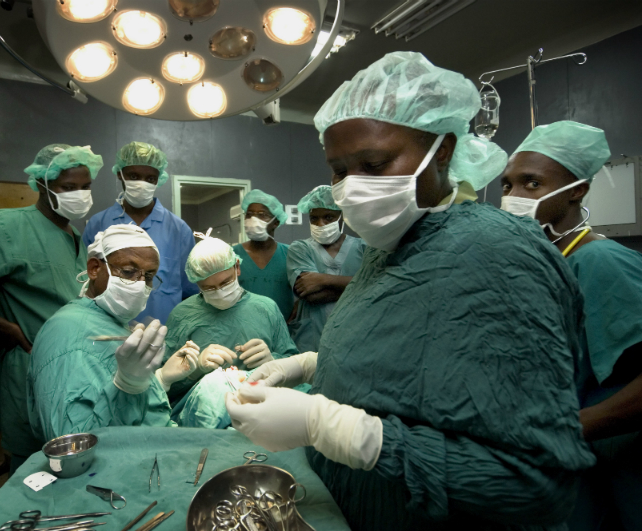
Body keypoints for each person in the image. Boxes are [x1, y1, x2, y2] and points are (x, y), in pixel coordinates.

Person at [226, 52, 595, 530]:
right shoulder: (392, 243)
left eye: (374, 163)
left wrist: (341, 431)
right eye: (338, 172)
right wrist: (308, 365)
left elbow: (534, 484)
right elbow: (421, 359)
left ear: (442, 151)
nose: (351, 187)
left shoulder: (494, 253)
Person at [500, 121, 642, 531]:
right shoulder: (546, 266)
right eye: (508, 186)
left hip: (618, 465)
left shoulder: (601, 262)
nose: (514, 198)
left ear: (577, 189)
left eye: (532, 184)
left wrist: (565, 430)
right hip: (569, 468)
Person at [0, 143, 103, 474]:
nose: (79, 194)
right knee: (34, 471)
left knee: (74, 465)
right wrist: (3, 326)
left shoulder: (75, 234)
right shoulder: (8, 228)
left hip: (73, 367)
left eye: (85, 186)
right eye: (68, 187)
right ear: (43, 184)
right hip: (31, 363)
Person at [27, 225, 198, 442]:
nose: (139, 284)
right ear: (94, 269)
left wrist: (159, 380)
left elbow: (105, 393)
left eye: (149, 276)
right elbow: (73, 443)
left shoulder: (105, 320)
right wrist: (128, 385)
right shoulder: (70, 338)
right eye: (128, 272)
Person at [163, 232, 299, 427]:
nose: (219, 292)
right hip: (200, 422)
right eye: (208, 288)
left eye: (225, 282)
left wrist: (273, 361)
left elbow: (297, 368)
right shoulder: (182, 315)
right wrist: (194, 368)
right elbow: (161, 387)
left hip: (258, 419)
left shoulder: (266, 308)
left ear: (237, 267)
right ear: (196, 283)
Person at [83, 142, 199, 323]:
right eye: (134, 176)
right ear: (119, 174)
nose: (142, 184)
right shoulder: (99, 224)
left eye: (150, 178)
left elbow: (191, 291)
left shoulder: (178, 229)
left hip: (164, 331)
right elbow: (88, 283)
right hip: (107, 329)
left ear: (159, 179)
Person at [287, 185, 366, 352]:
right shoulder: (300, 248)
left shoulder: (363, 247)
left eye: (329, 217)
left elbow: (377, 287)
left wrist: (323, 279)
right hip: (313, 340)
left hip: (356, 337)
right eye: (314, 218)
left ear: (342, 216)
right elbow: (311, 296)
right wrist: (362, 286)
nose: (320, 224)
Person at [232, 189, 294, 321]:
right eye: (249, 214)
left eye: (262, 215)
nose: (253, 219)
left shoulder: (291, 254)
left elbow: (305, 294)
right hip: (242, 330)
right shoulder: (231, 254)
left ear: (276, 222)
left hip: (283, 331)